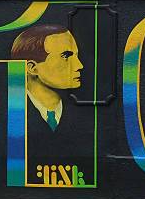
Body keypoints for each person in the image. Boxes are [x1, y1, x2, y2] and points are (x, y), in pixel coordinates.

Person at [11, 24, 92, 184]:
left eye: (76, 56)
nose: (79, 66)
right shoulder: (7, 114)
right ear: (32, 68)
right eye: (66, 56)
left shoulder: (85, 115)